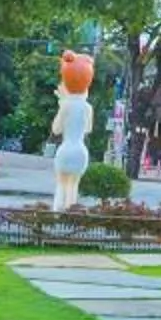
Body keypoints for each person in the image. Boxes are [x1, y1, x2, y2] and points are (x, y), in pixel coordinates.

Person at [48, 52, 95, 213]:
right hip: (80, 151)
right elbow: (88, 129)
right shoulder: (88, 108)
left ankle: (57, 214)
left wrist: (62, 103)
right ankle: (71, 215)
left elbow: (56, 129)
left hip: (66, 149)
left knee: (61, 184)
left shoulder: (66, 105)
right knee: (73, 186)